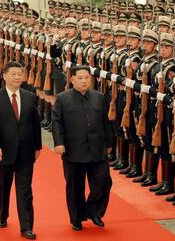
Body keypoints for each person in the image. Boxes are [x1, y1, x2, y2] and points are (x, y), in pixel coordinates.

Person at [52, 65, 113, 231]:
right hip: (73, 150)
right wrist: (58, 142)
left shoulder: (99, 97)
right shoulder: (62, 98)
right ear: (72, 80)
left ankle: (94, 211)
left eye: (87, 77)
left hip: (97, 148)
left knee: (103, 182)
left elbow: (105, 122)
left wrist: (109, 143)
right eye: (80, 78)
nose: (84, 81)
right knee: (74, 187)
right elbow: (56, 122)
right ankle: (77, 218)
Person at [0, 61, 42, 240]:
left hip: (26, 152)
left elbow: (35, 124)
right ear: (5, 76)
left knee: (25, 190)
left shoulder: (29, 96)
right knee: (3, 186)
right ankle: (3, 214)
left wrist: (37, 146)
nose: (17, 77)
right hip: (3, 152)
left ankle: (27, 227)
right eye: (14, 74)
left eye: (20, 74)